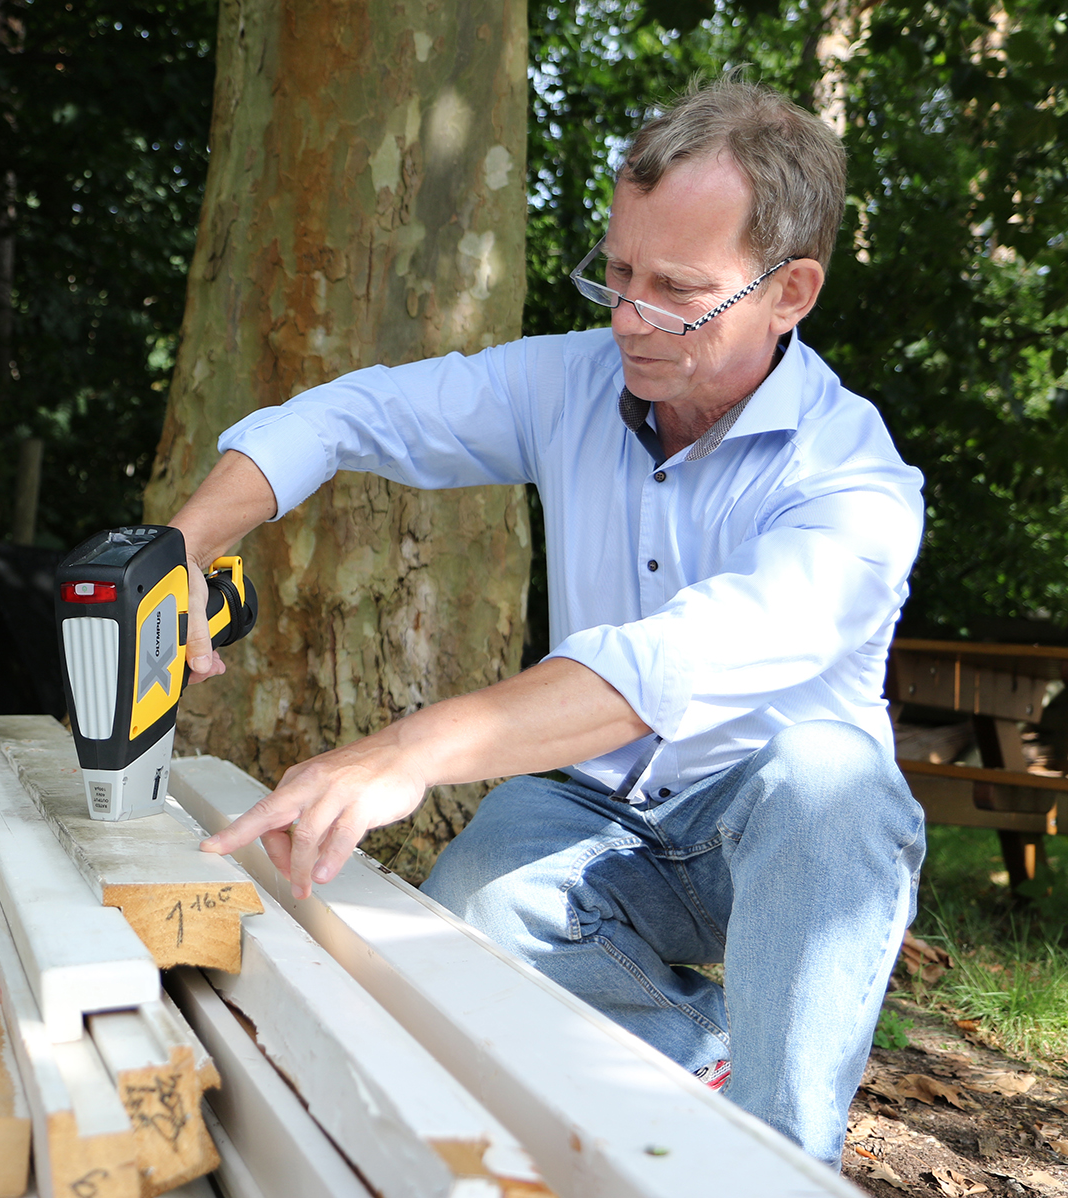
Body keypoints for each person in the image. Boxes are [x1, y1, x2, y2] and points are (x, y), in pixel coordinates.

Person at [167, 75, 926, 1166]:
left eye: (676, 290)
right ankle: (693, 1055)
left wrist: (406, 752)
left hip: (774, 837)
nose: (627, 317)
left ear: (790, 291)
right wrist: (188, 541)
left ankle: (778, 1158)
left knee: (831, 783)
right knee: (462, 930)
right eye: (616, 273)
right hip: (597, 806)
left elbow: (665, 662)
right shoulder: (569, 382)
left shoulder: (854, 485)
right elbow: (347, 415)